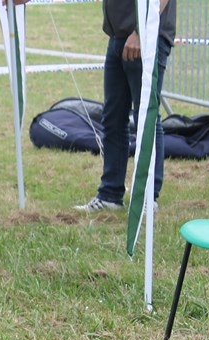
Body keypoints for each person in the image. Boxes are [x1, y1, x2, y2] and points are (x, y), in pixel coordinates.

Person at [73, 0, 176, 212]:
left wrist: (140, 31)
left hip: (145, 37)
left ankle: (147, 197)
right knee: (112, 118)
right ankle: (110, 195)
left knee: (146, 118)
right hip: (119, 37)